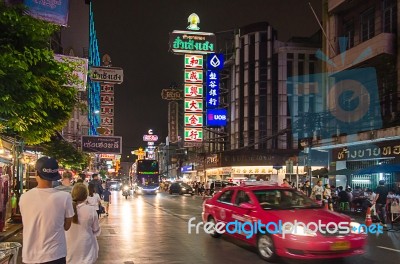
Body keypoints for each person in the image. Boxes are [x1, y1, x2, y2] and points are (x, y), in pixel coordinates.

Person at [19, 156, 74, 264]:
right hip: (55, 255)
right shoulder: (64, 197)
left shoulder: (24, 197)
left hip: (30, 256)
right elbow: (67, 226)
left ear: (36, 173)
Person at [66, 183, 100, 264]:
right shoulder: (91, 210)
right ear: (86, 196)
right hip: (86, 250)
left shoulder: (66, 209)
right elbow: (96, 230)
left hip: (69, 250)